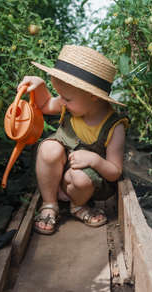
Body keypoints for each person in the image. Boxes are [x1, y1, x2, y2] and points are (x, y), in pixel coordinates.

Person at [17, 45, 129, 235]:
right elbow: (45, 105)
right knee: (48, 148)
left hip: (86, 183)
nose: (61, 101)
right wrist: (40, 85)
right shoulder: (68, 103)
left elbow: (115, 172)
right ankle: (49, 203)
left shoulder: (114, 127)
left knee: (80, 178)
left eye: (66, 98)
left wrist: (94, 160)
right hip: (57, 173)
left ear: (93, 96)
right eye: (60, 96)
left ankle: (78, 206)